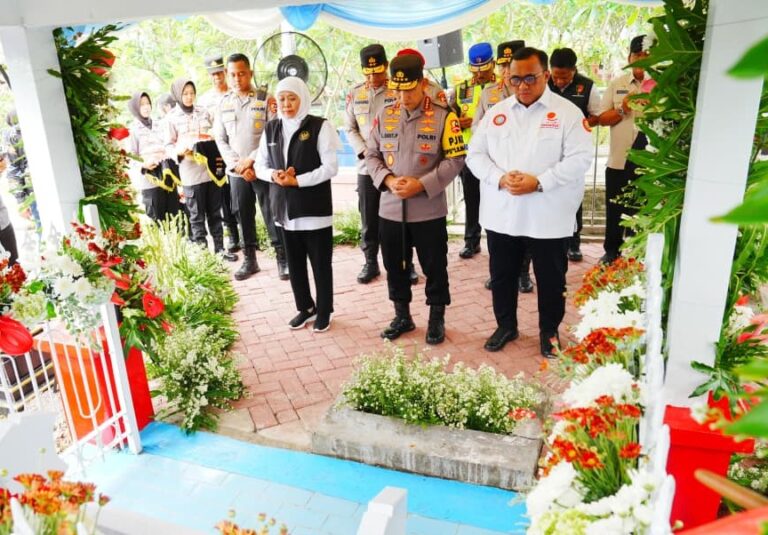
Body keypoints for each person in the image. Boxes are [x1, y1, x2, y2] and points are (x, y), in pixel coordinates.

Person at [467, 47, 593, 357]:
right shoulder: (497, 113)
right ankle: (506, 325)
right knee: (502, 275)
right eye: (515, 78)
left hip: (548, 215)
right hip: (503, 214)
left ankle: (549, 333)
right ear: (507, 78)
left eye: (530, 78)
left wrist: (540, 182)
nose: (523, 85)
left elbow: (580, 158)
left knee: (551, 279)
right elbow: (475, 155)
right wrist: (498, 177)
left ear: (546, 76)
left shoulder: (568, 114)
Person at [365, 53, 466, 345]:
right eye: (397, 89)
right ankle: (402, 316)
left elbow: (455, 159)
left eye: (408, 89)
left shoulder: (444, 116)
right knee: (394, 265)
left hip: (428, 210)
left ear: (422, 83)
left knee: (434, 266)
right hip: (391, 208)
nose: (402, 95)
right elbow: (371, 154)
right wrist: (388, 179)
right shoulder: (385, 114)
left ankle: (436, 317)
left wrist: (421, 185)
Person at [255, 77, 341, 332]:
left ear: (302, 98)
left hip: (314, 210)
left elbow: (330, 167)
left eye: (292, 98)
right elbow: (260, 165)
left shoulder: (319, 126)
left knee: (320, 264)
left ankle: (324, 310)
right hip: (284, 210)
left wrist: (297, 181)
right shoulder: (271, 129)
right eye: (281, 99)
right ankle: (305, 308)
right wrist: (274, 176)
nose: (286, 104)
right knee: (294, 264)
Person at [344, 44, 420, 285]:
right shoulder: (355, 93)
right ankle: (371, 262)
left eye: (377, 71)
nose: (372, 77)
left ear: (386, 67)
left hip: (396, 168)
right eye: (368, 72)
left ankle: (406, 264)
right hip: (367, 168)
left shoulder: (398, 90)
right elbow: (350, 128)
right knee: (369, 220)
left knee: (401, 220)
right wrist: (365, 152)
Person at [215, 53, 285, 281]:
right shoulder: (223, 103)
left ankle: (282, 259)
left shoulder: (265, 99)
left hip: (262, 168)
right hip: (237, 172)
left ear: (250, 73)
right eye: (233, 74)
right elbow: (220, 139)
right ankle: (250, 260)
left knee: (271, 212)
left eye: (241, 73)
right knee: (242, 214)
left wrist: (252, 160)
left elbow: (273, 133)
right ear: (227, 75)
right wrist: (238, 165)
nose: (237, 78)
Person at [471, 40, 534, 294]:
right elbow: (477, 128)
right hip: (498, 172)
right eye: (503, 65)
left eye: (511, 64)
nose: (506, 70)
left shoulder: (534, 92)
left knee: (526, 228)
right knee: (499, 230)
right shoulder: (488, 94)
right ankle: (500, 274)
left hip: (527, 173)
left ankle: (523, 273)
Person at [164, 78, 234, 260]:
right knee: (196, 217)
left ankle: (220, 251)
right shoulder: (171, 118)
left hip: (210, 171)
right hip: (190, 174)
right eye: (185, 93)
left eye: (192, 93)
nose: (189, 97)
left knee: (215, 213)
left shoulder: (203, 111)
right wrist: (180, 152)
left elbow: (216, 133)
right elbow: (168, 146)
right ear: (178, 95)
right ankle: (204, 258)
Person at [597, 35, 648, 265]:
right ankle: (611, 251)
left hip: (649, 162)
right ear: (629, 57)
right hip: (619, 159)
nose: (642, 59)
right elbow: (601, 119)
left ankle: (638, 252)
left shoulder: (661, 85)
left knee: (642, 208)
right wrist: (622, 109)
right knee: (614, 207)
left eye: (647, 55)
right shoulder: (617, 84)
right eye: (637, 54)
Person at [548, 47, 600, 263]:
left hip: (573, 154)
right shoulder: (543, 84)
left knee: (573, 197)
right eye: (555, 76)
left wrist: (578, 127)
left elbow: (596, 116)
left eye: (564, 77)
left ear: (574, 70)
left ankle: (574, 244)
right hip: (548, 152)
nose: (559, 81)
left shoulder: (587, 86)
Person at [452, 42, 496, 261]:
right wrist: (458, 121)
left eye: (484, 68)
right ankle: (471, 241)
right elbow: (451, 116)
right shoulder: (461, 89)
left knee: (496, 198)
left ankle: (497, 241)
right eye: (474, 69)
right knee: (471, 198)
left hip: (496, 154)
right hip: (470, 153)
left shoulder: (502, 87)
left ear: (493, 64)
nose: (479, 74)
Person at [199, 54, 241, 255]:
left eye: (219, 72)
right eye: (213, 74)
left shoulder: (236, 93)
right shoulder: (205, 100)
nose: (217, 77)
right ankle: (232, 233)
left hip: (236, 150)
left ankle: (247, 232)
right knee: (223, 194)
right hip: (216, 152)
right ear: (209, 76)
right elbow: (204, 127)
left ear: (225, 72)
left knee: (240, 193)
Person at [125, 91, 181, 223]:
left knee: (175, 217)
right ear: (135, 108)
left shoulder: (160, 124)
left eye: (148, 103)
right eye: (142, 104)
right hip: (149, 181)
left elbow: (169, 144)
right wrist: (143, 165)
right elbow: (130, 157)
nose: (146, 107)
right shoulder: (132, 130)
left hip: (167, 177)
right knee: (157, 220)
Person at [1, 109, 39, 230]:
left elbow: (13, 170)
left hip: (34, 191)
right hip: (34, 192)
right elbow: (13, 169)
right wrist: (21, 201)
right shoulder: (13, 136)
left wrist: (21, 201)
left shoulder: (12, 136)